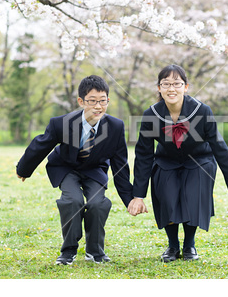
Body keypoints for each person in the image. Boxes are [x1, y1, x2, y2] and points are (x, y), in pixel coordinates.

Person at [128, 64, 228, 262]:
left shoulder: (202, 111)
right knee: (167, 194)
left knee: (192, 194)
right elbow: (143, 154)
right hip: (166, 161)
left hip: (200, 161)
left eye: (177, 83)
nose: (171, 88)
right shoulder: (151, 114)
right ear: (159, 88)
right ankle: (173, 246)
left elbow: (220, 149)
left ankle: (189, 245)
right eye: (165, 84)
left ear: (186, 87)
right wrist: (138, 195)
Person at [16, 75, 139, 265]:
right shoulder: (62, 123)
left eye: (103, 101)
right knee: (72, 201)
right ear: (81, 101)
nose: (98, 106)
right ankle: (68, 251)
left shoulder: (115, 127)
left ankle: (95, 251)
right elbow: (41, 144)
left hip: (94, 169)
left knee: (98, 203)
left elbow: (120, 164)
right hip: (66, 167)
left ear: (108, 101)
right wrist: (24, 168)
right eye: (92, 101)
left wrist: (129, 199)